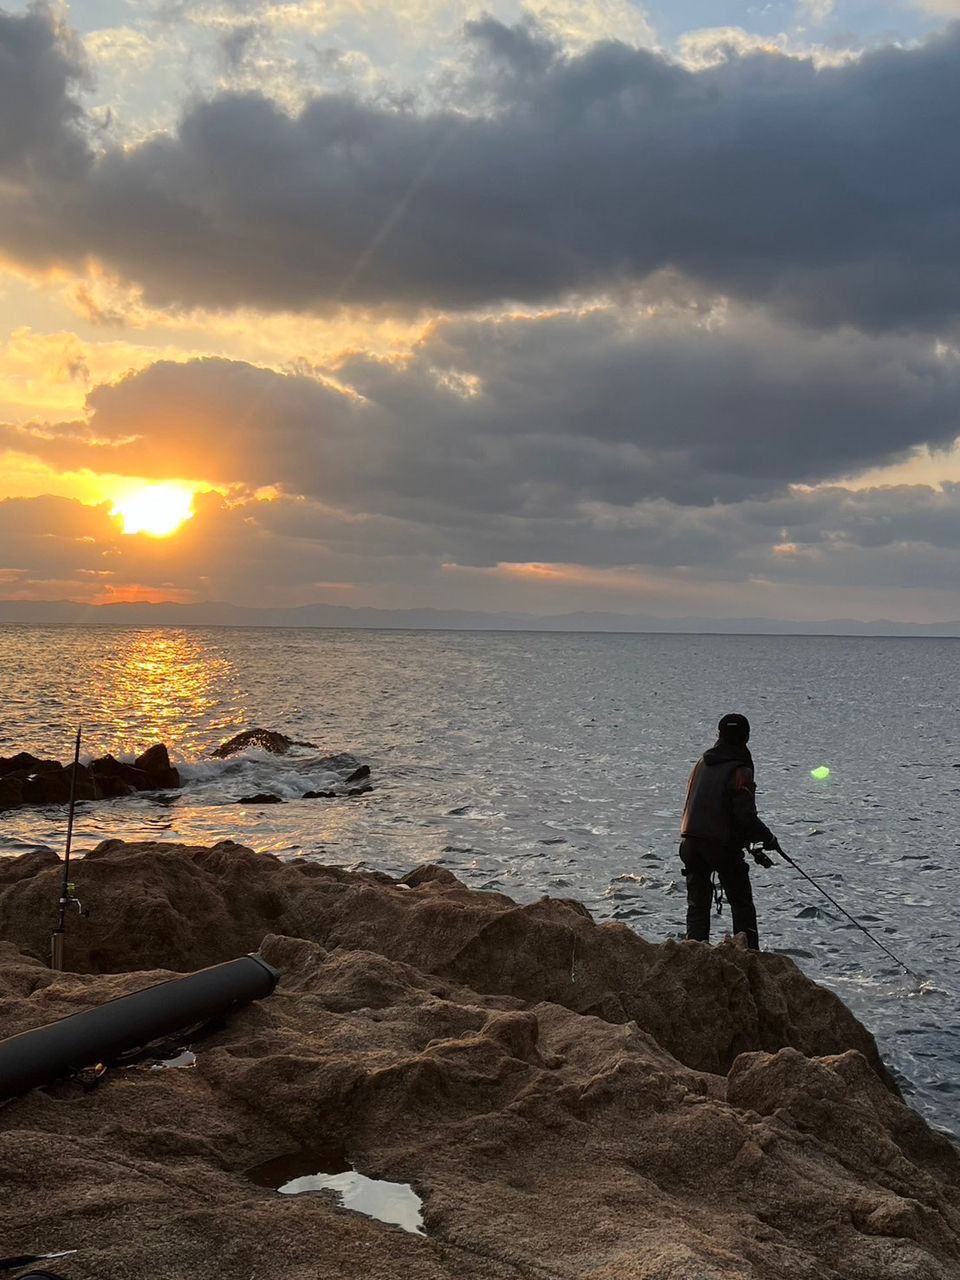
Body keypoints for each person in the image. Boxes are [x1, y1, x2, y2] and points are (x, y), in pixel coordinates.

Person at [679, 713, 778, 950]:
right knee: (742, 903)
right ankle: (749, 956)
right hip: (719, 847)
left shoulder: (702, 763)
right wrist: (769, 839)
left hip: (690, 844)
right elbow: (745, 815)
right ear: (746, 737)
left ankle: (694, 956)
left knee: (697, 908)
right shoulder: (740, 768)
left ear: (719, 735)